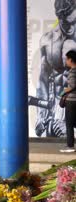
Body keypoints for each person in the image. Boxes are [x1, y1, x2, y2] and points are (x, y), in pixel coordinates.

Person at [31, 0, 76, 137]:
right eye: (65, 22)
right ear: (59, 16)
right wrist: (41, 115)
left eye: (73, 22)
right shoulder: (48, 41)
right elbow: (43, 80)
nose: (70, 26)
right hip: (54, 114)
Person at [60, 50, 76, 152]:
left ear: (71, 59)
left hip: (71, 101)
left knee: (69, 124)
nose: (66, 61)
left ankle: (70, 146)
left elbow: (73, 85)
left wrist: (64, 92)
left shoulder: (72, 71)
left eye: (67, 59)